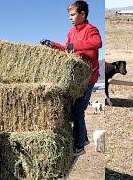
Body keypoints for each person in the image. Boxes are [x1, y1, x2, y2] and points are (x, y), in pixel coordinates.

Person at [40, 0, 102, 156]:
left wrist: (75, 46)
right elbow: (67, 48)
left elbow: (97, 42)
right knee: (76, 110)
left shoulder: (91, 29)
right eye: (69, 15)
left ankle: (79, 145)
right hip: (76, 79)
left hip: (89, 77)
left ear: (82, 14)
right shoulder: (71, 32)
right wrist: (52, 44)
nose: (70, 18)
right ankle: (85, 138)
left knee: (78, 109)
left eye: (73, 14)